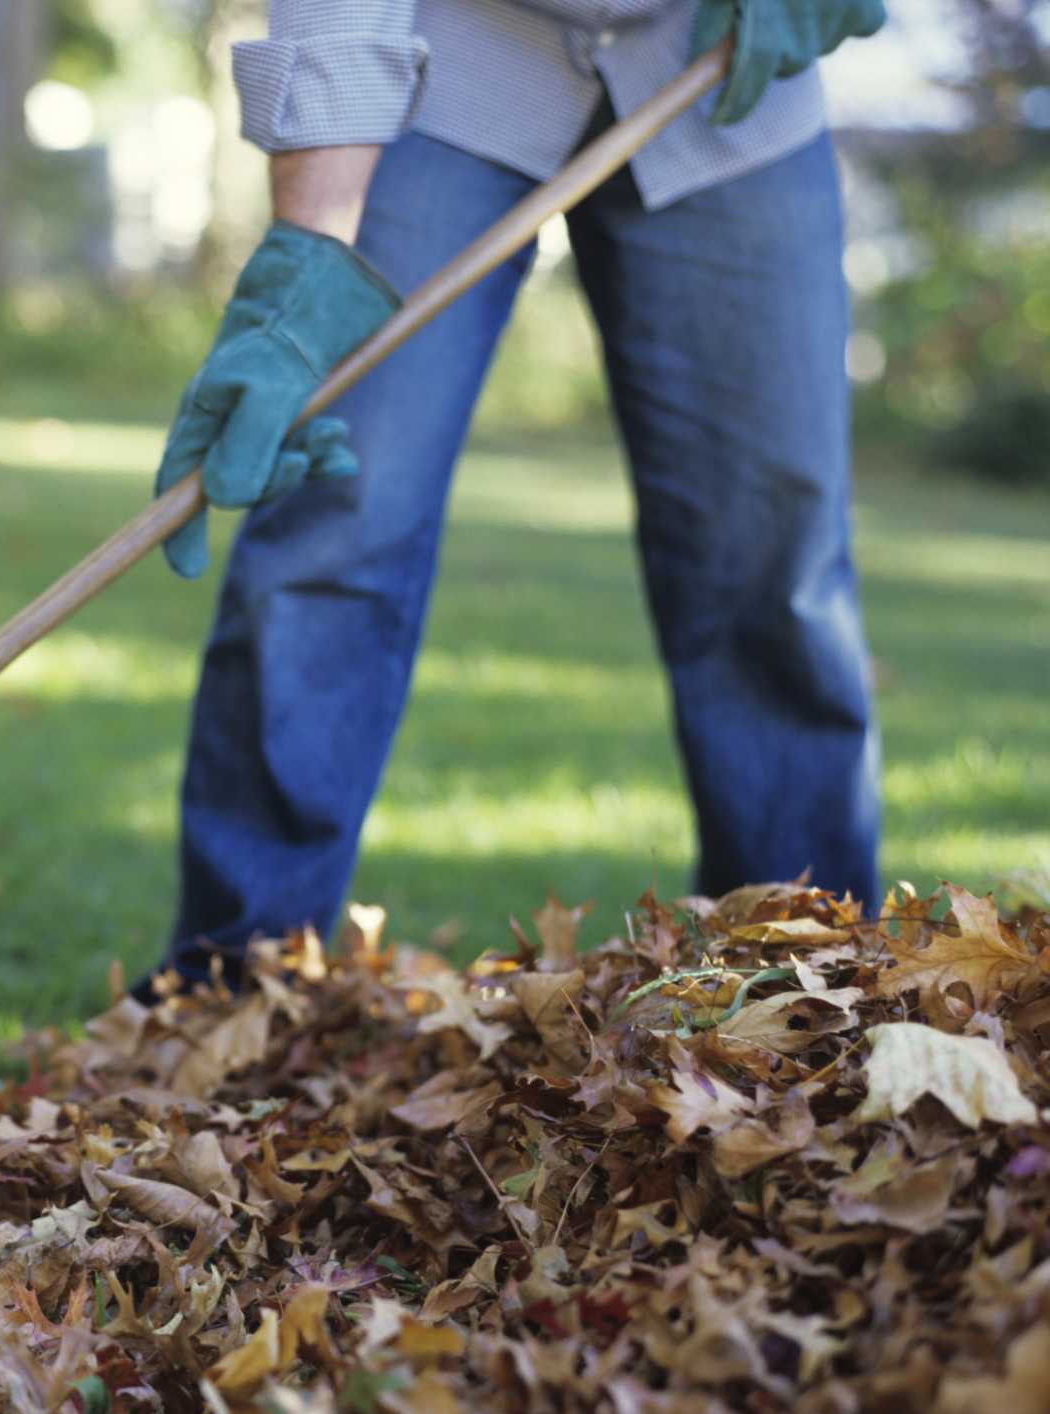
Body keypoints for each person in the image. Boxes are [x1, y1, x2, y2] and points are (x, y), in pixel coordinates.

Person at [149, 0, 886, 991]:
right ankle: (230, 987)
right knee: (338, 510)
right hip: (450, 61)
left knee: (771, 543)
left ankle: (807, 986)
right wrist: (311, 245)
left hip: (722, 57)